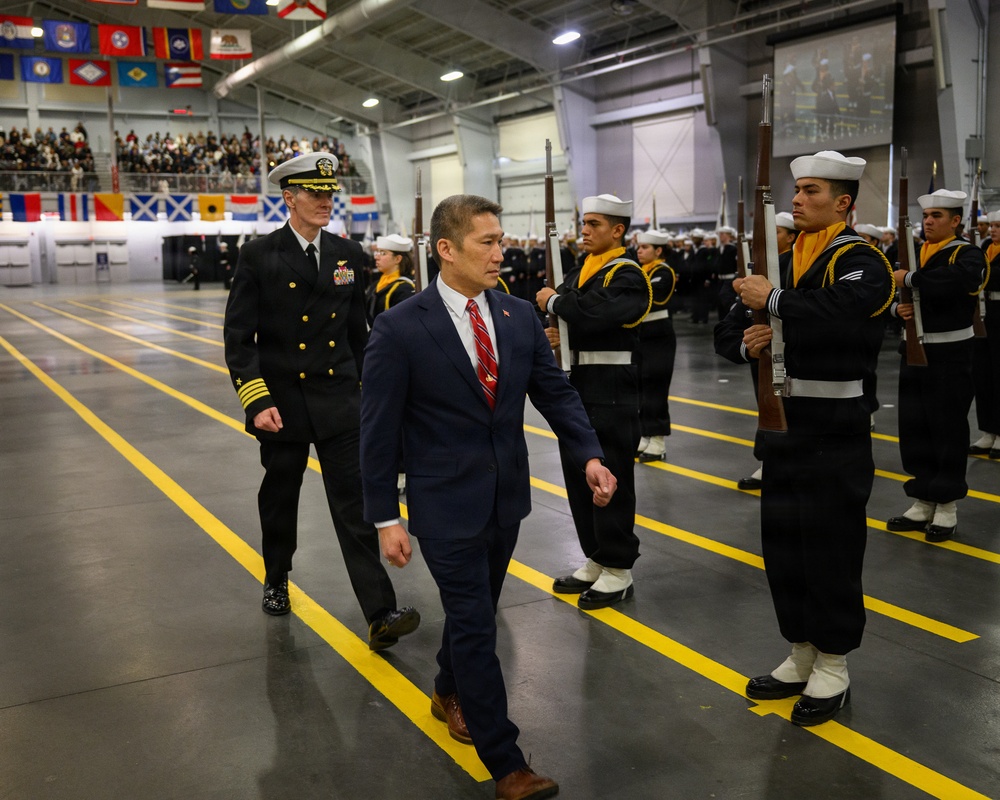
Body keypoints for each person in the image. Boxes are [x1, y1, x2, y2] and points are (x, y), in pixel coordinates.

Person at [361, 194, 616, 800]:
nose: (502, 253)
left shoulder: (517, 316)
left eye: (502, 240)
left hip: (505, 498)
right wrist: (384, 518)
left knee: (475, 611)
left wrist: (589, 455)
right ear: (446, 250)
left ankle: (448, 688)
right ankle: (507, 763)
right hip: (443, 505)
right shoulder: (401, 327)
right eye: (487, 242)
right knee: (478, 623)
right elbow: (377, 431)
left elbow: (555, 393)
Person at [223, 152, 419, 650]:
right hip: (282, 403)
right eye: (314, 193)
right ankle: (276, 576)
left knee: (354, 504)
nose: (324, 201)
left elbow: (360, 332)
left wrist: (371, 390)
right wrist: (254, 399)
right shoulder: (259, 255)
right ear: (288, 197)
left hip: (338, 399)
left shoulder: (347, 254)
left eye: (329, 193)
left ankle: (380, 612)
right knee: (281, 496)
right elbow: (239, 338)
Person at [735, 151, 894, 726]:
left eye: (811, 191)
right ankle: (800, 650)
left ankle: (834, 662)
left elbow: (844, 313)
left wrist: (771, 302)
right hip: (782, 428)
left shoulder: (862, 259)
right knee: (784, 546)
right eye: (796, 190)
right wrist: (748, 343)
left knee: (830, 549)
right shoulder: (783, 261)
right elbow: (735, 330)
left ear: (844, 202)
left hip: (835, 429)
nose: (797, 200)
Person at [536, 194, 652, 610]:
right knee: (578, 475)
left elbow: (595, 314)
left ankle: (619, 567)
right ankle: (597, 555)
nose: (584, 230)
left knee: (611, 477)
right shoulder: (580, 271)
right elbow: (575, 317)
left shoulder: (628, 274)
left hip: (612, 389)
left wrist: (554, 303)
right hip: (579, 385)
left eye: (594, 224)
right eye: (583, 223)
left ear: (618, 230)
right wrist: (557, 334)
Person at [886, 188, 989, 541]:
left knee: (946, 427)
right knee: (914, 427)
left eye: (937, 217)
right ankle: (923, 497)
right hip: (913, 352)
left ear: (956, 221)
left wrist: (912, 279)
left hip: (949, 354)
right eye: (927, 217)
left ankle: (946, 504)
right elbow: (895, 294)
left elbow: (959, 282)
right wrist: (896, 309)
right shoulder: (916, 253)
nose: (928, 222)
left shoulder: (968, 254)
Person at [714, 211, 797, 491]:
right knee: (767, 408)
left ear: (791, 237)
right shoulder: (760, 271)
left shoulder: (798, 267)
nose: (767, 239)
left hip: (795, 358)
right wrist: (747, 347)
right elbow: (730, 324)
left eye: (776, 232)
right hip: (763, 355)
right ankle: (769, 461)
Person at [634, 229, 677, 462]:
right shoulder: (642, 271)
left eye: (645, 248)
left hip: (659, 337)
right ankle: (645, 434)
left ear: (658, 250)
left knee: (656, 387)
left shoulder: (663, 272)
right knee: (641, 386)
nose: (639, 251)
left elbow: (654, 299)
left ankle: (658, 439)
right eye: (639, 248)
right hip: (641, 336)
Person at [970, 211, 1000, 458]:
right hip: (984, 314)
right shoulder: (985, 247)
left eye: (998, 226)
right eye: (991, 225)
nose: (992, 230)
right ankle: (988, 431)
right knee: (983, 373)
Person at [367, 234, 415, 324]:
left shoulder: (405, 289)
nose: (376, 257)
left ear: (397, 259)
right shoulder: (376, 285)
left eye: (383, 253)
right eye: (377, 252)